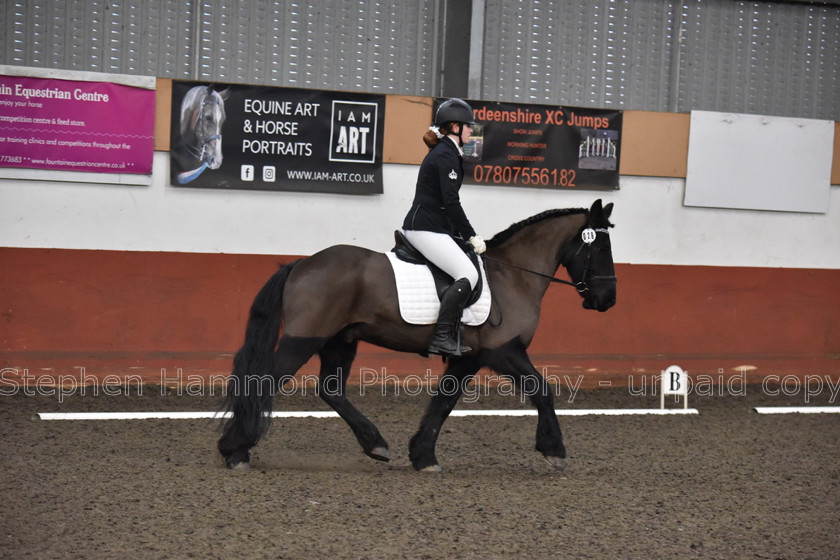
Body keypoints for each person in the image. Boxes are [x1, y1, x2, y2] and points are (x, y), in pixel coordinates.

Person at [402, 98, 486, 357]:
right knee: (468, 275)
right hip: (425, 228)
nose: (471, 131)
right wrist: (471, 235)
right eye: (467, 127)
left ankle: (454, 329)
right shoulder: (445, 155)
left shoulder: (447, 152)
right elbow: (451, 203)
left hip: (434, 226)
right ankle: (441, 337)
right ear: (454, 127)